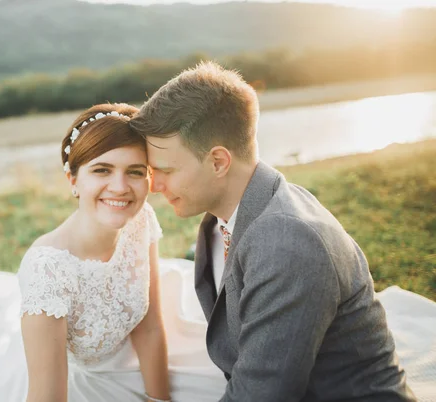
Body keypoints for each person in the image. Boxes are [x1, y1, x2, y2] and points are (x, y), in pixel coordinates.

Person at [128, 61, 418, 401]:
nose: (154, 185)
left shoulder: (287, 241)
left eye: (165, 170)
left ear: (218, 162)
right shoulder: (222, 218)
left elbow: (261, 394)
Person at [0, 103, 227, 402]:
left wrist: (158, 399)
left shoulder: (141, 220)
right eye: (102, 170)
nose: (120, 187)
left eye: (135, 172)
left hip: (139, 359)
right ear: (73, 180)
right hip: (79, 381)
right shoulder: (48, 269)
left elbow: (148, 328)